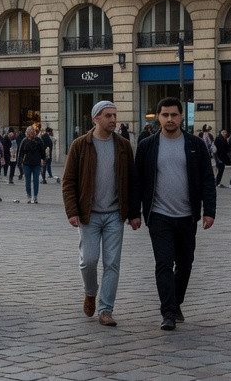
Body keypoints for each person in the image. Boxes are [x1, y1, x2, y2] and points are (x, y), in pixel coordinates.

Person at [135, 97, 216, 330]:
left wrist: (209, 211)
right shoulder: (147, 146)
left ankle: (176, 302)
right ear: (158, 117)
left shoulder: (195, 145)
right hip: (158, 215)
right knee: (163, 263)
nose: (169, 119)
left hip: (187, 216)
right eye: (165, 115)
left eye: (174, 115)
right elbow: (137, 181)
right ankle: (168, 312)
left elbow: (207, 179)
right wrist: (134, 212)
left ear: (181, 117)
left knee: (185, 263)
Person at [61, 100, 141, 327]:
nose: (113, 120)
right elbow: (68, 181)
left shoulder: (123, 146)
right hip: (89, 215)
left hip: (115, 214)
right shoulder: (80, 145)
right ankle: (90, 292)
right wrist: (72, 211)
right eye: (108, 116)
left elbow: (132, 181)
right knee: (88, 260)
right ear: (96, 118)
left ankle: (106, 309)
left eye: (115, 115)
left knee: (112, 263)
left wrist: (134, 213)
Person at [18, 125, 46, 204]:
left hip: (35, 163)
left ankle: (34, 197)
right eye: (28, 133)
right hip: (27, 163)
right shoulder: (25, 141)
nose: (30, 135)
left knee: (35, 180)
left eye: (31, 133)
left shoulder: (38, 141)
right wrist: (19, 162)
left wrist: (43, 159)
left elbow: (42, 151)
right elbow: (21, 152)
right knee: (29, 181)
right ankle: (30, 196)